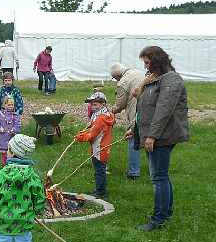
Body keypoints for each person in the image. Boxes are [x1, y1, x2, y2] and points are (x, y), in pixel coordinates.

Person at [125, 46, 189, 232]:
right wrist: (135, 130)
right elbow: (146, 109)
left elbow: (163, 111)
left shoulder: (171, 80)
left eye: (147, 62)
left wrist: (152, 136)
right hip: (156, 134)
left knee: (158, 177)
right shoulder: (156, 79)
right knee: (161, 175)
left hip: (163, 136)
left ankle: (158, 219)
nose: (145, 66)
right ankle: (165, 214)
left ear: (157, 60)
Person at [74, 91, 115, 199]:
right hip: (102, 146)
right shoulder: (104, 114)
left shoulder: (100, 119)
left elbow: (92, 135)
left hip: (100, 148)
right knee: (100, 169)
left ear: (103, 104)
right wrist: (83, 132)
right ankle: (99, 189)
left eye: (95, 104)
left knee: (99, 171)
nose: (92, 106)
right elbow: (92, 129)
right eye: (91, 104)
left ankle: (101, 192)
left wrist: (79, 137)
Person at [110, 62, 145, 180]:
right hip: (150, 110)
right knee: (150, 139)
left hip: (136, 111)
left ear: (117, 76)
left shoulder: (123, 82)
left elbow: (120, 105)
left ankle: (133, 172)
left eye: (114, 78)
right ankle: (155, 169)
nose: (115, 80)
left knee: (132, 138)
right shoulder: (138, 72)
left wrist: (111, 111)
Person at [0, 96, 22, 166]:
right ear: (4, 105)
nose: (10, 106)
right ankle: (4, 166)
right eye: (9, 105)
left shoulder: (15, 115)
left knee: (12, 153)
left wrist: (14, 130)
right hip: (3, 138)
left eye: (12, 105)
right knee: (4, 154)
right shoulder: (0, 114)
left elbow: (18, 125)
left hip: (12, 138)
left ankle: (12, 165)